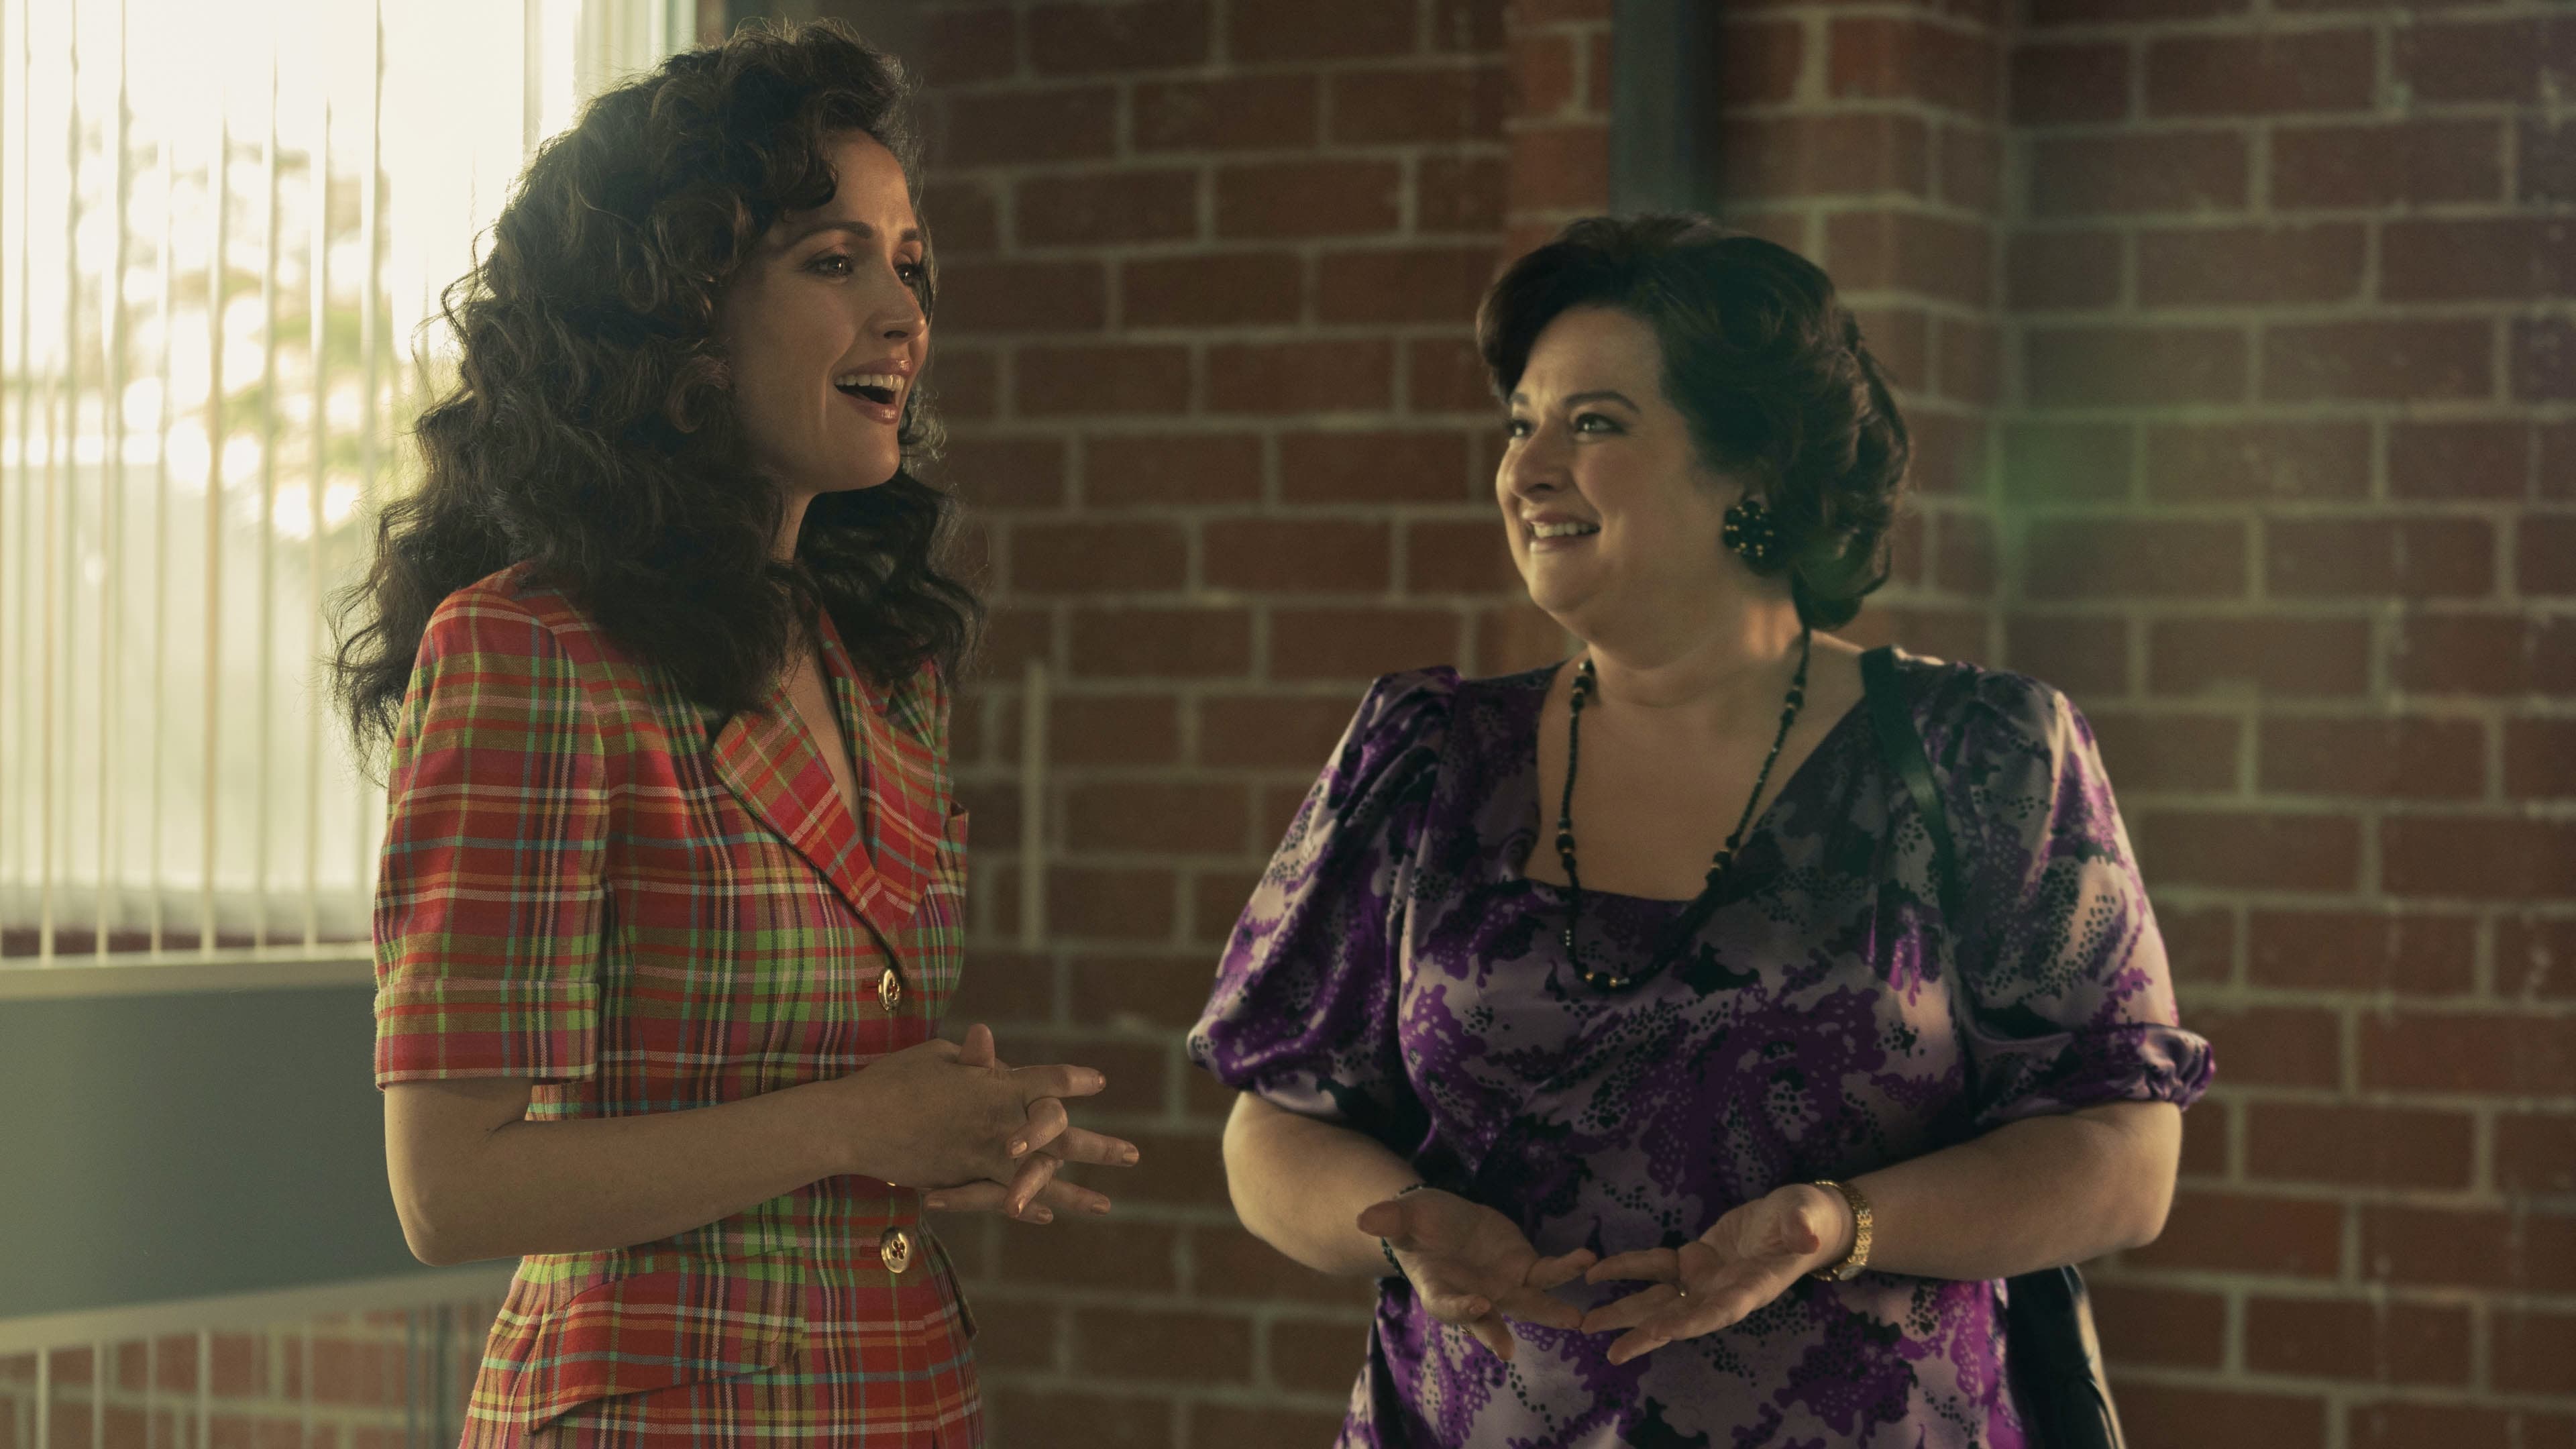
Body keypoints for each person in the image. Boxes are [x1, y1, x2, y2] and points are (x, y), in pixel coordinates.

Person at [1190, 214, 2214, 1446]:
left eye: (1594, 424)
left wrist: (1836, 1224)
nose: (1527, 470)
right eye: (1520, 424)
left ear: (1753, 471)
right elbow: (1274, 1126)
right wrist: (1404, 1223)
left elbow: (2122, 1157)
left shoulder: (1983, 754)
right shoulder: (1425, 757)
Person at [332, 21, 1133, 1447]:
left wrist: (953, 1128)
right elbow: (449, 1191)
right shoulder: (527, 652)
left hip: (903, 1399)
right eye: (834, 263)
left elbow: (831, 1087)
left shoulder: (884, 667)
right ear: (677, 319)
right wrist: (857, 1124)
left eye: (910, 265)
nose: (903, 315)